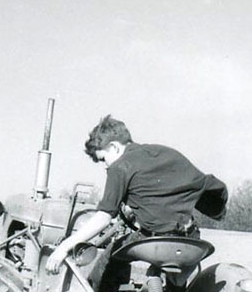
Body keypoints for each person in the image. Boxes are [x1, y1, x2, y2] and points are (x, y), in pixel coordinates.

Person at [45, 115, 228, 276]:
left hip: (157, 239)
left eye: (103, 159)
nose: (105, 166)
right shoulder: (164, 152)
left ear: (114, 147)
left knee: (111, 256)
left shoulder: (119, 167)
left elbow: (104, 216)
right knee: (174, 269)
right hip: (191, 237)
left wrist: (64, 247)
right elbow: (202, 185)